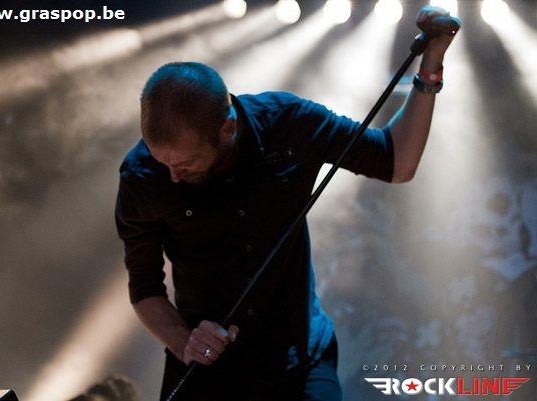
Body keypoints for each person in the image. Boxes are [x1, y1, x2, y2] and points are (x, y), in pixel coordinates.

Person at [115, 5, 457, 401]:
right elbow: (145, 287)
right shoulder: (142, 176)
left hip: (298, 359)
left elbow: (397, 162)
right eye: (162, 162)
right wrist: (183, 341)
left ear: (227, 128)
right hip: (204, 362)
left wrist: (430, 68)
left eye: (185, 164)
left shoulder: (289, 124)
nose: (172, 176)